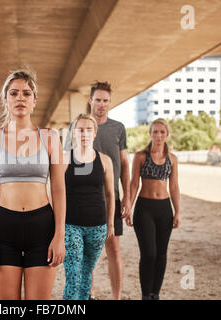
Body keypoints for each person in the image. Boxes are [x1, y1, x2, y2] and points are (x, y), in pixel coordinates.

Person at [0, 68, 66, 300]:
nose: (20, 98)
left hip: (43, 228)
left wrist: (59, 235)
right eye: (14, 93)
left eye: (26, 94)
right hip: (3, 229)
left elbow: (58, 189)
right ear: (6, 100)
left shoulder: (50, 138)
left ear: (34, 101)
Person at [65, 81, 130, 299]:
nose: (101, 104)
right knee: (79, 261)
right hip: (78, 205)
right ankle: (88, 295)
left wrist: (127, 197)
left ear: (110, 103)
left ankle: (116, 296)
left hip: (108, 203)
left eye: (106, 101)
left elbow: (125, 164)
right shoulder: (77, 129)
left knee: (113, 250)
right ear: (90, 100)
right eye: (98, 100)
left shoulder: (118, 128)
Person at [62, 114, 115, 300]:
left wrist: (110, 223)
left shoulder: (105, 160)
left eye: (88, 129)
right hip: (70, 225)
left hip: (97, 226)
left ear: (95, 133)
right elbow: (56, 192)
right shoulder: (64, 158)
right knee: (73, 276)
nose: (84, 133)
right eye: (80, 129)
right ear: (74, 133)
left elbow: (110, 194)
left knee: (86, 277)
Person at [128, 118, 180, 300]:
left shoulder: (172, 159)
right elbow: (134, 183)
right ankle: (144, 294)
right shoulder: (141, 156)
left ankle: (154, 294)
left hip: (164, 209)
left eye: (162, 132)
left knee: (161, 254)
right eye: (155, 132)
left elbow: (174, 187)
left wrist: (177, 211)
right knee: (149, 253)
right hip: (144, 209)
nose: (158, 135)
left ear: (167, 134)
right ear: (150, 133)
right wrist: (128, 205)